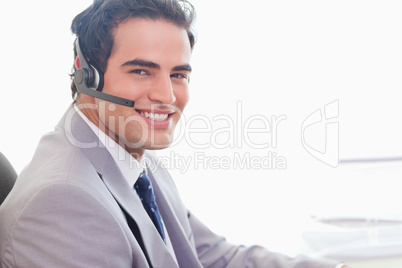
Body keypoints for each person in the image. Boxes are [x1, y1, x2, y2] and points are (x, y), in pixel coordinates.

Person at [0, 0, 348, 267]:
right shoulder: (63, 201)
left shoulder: (131, 155)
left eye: (178, 75)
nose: (167, 97)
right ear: (86, 73)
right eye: (141, 70)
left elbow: (213, 257)